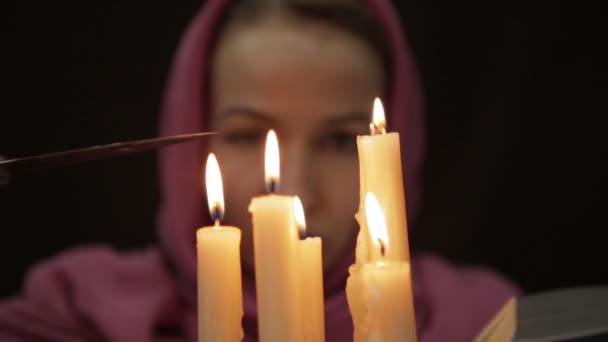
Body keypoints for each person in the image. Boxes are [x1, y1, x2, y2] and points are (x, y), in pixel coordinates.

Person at [0, 0, 519, 341]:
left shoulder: (490, 325)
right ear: (187, 130)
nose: (294, 194)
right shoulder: (73, 313)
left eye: (342, 141)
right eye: (248, 135)